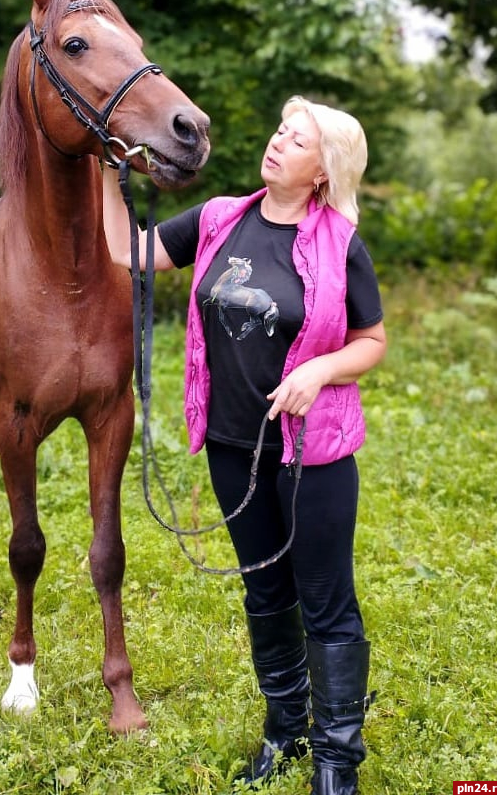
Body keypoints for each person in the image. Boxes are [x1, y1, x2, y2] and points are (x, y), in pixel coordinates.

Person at [102, 96, 386, 795]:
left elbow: (370, 343)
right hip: (231, 443)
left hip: (311, 453)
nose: (278, 144)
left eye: (297, 141)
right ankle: (284, 734)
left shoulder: (339, 242)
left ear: (322, 171)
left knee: (325, 601)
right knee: (265, 592)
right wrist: (108, 175)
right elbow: (128, 255)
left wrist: (318, 369)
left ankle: (335, 762)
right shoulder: (217, 219)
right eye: (279, 132)